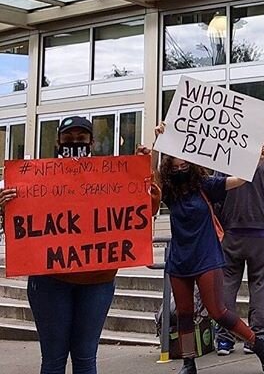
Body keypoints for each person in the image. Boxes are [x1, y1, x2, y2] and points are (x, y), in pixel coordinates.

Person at [0, 116, 161, 374]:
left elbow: (146, 209)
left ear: (92, 142)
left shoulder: (109, 175)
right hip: (50, 281)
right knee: (53, 361)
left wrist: (143, 171)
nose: (75, 143)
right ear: (58, 141)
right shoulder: (34, 179)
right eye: (69, 138)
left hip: (97, 281)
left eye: (81, 138)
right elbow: (21, 226)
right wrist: (7, 206)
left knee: (86, 360)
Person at [158, 150, 264, 374]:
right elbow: (150, 182)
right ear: (168, 169)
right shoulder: (169, 190)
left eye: (184, 166)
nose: (180, 170)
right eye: (176, 167)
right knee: (184, 314)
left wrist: (255, 159)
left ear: (191, 166)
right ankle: (188, 361)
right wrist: (157, 146)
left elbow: (238, 180)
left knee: (218, 311)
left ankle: (258, 343)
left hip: (207, 256)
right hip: (179, 259)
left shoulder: (205, 185)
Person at [216, 143, 264, 356]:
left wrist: (220, 226)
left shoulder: (224, 158)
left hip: (231, 232)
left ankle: (225, 339)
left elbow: (216, 194)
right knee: (260, 285)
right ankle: (257, 337)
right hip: (262, 233)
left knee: (227, 285)